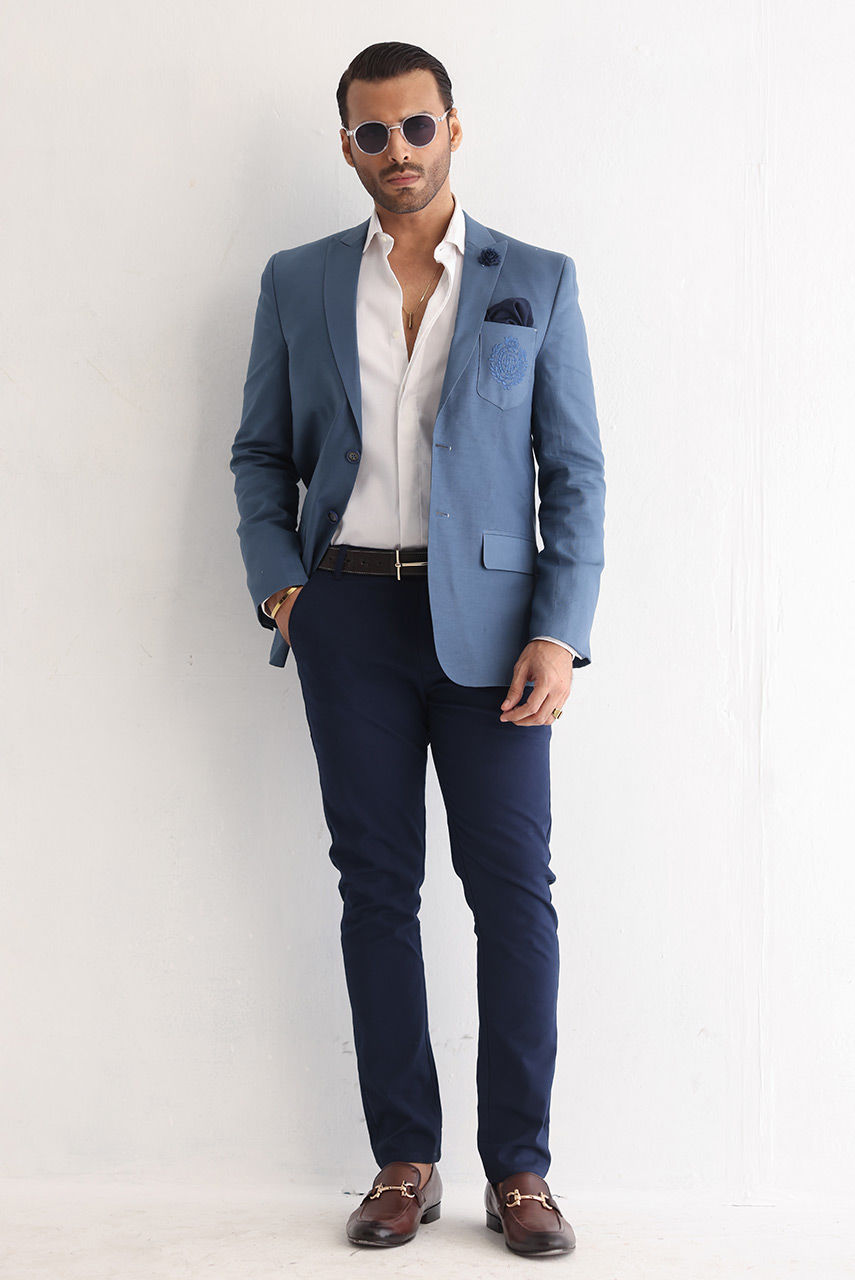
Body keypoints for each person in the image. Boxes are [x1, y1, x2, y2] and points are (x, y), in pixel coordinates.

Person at [230, 40, 605, 1257]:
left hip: (493, 635)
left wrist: (558, 629)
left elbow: (575, 472)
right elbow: (260, 453)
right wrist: (284, 590)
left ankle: (521, 1170)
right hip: (347, 615)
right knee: (376, 889)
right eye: (373, 133)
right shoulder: (297, 281)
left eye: (416, 126)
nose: (398, 151)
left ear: (454, 126)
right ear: (348, 144)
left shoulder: (534, 279)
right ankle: (404, 1159)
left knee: (514, 894)